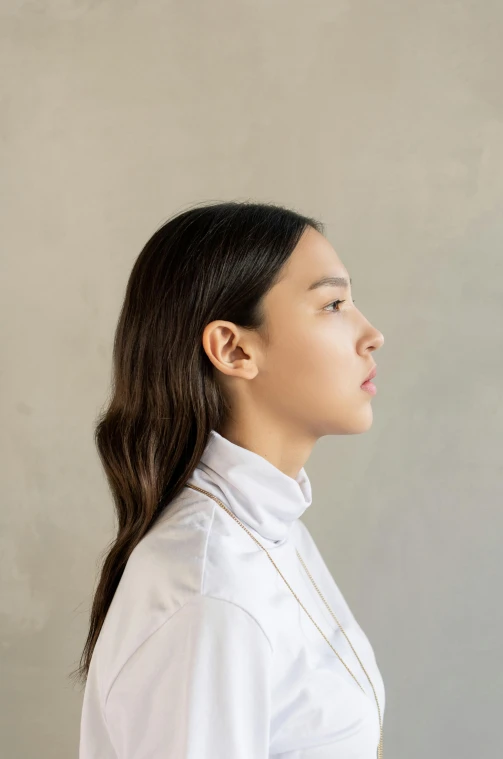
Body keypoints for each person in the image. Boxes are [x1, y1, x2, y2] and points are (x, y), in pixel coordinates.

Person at [74, 200, 386, 758]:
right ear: (234, 348)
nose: (372, 335)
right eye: (334, 304)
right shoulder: (209, 588)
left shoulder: (270, 528)